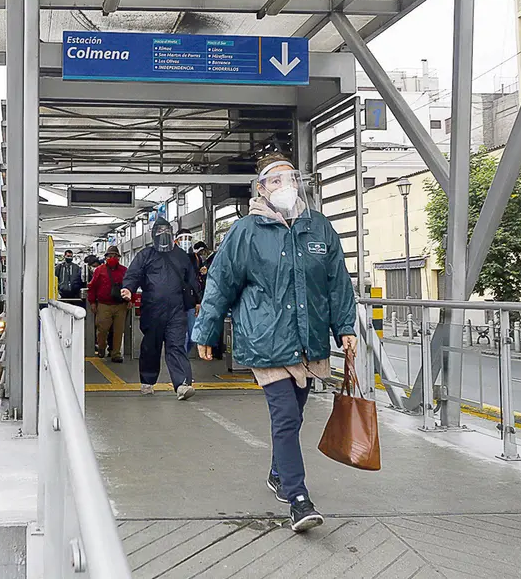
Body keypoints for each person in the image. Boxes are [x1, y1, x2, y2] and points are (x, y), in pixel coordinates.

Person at [191, 153, 357, 533]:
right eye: (275, 180)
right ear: (261, 188)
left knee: (295, 414)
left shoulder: (318, 228)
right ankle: (299, 500)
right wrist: (206, 330)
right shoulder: (246, 232)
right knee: (285, 415)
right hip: (265, 338)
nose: (285, 186)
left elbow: (337, 281)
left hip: (307, 339)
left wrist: (345, 327)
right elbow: (221, 281)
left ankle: (278, 473)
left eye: (290, 179)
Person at [120, 217, 202, 400]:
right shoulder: (145, 255)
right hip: (152, 309)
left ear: (171, 233)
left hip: (177, 310)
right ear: (153, 234)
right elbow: (133, 274)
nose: (163, 234)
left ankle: (182, 384)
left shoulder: (181, 256)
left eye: (166, 230)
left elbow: (191, 280)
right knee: (151, 346)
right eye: (159, 231)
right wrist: (128, 289)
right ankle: (147, 381)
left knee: (176, 345)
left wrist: (197, 300)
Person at [87, 246, 128, 363]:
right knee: (102, 328)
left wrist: (131, 300)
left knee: (118, 331)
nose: (112, 258)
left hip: (120, 305)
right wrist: (92, 302)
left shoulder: (124, 270)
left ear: (119, 258)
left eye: (115, 256)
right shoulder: (99, 270)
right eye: (110, 256)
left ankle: (116, 353)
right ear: (106, 258)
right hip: (104, 304)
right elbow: (92, 287)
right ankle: (101, 347)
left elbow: (130, 285)